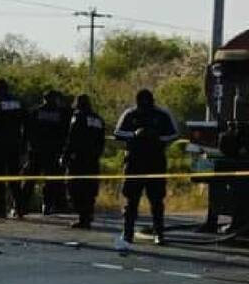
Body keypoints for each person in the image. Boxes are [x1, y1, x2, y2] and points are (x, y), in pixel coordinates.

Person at [114, 89, 179, 250]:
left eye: (147, 101)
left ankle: (159, 233)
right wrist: (135, 134)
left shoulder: (162, 115)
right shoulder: (130, 114)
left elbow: (174, 134)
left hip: (155, 161)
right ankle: (127, 232)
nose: (144, 104)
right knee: (131, 200)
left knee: (157, 200)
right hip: (135, 161)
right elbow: (118, 133)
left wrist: (156, 137)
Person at [21, 90, 70, 215]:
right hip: (53, 152)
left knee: (29, 180)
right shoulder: (62, 114)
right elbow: (65, 133)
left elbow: (27, 131)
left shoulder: (35, 112)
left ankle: (21, 206)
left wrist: (26, 148)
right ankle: (47, 206)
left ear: (44, 99)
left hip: (36, 151)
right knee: (51, 180)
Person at [62, 94, 106, 229]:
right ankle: (87, 214)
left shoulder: (78, 117)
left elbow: (72, 138)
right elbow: (101, 140)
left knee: (74, 187)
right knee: (90, 188)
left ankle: (83, 216)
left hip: (78, 159)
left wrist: (65, 156)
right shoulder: (98, 119)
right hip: (93, 159)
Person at [0, 78, 26, 219]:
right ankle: (19, 207)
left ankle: (1, 208)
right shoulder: (18, 103)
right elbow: (26, 122)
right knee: (15, 177)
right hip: (15, 145)